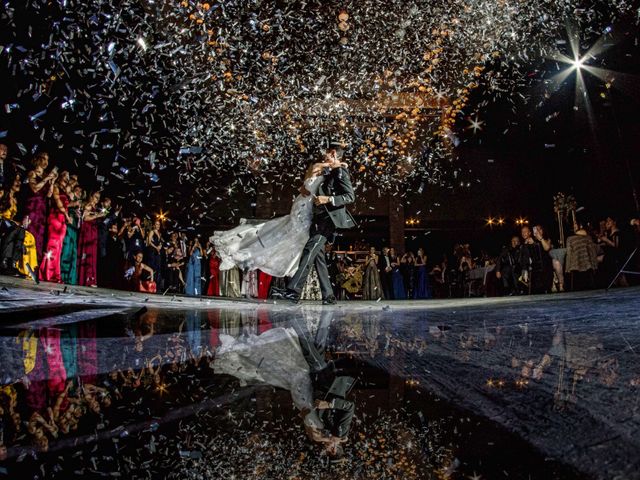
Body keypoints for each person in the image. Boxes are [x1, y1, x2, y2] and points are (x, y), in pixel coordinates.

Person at [276, 147, 356, 305]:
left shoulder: (340, 172)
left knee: (309, 250)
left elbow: (350, 196)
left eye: (326, 153)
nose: (323, 156)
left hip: (328, 219)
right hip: (318, 218)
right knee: (318, 257)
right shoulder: (330, 172)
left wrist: (328, 199)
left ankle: (293, 291)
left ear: (333, 154)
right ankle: (329, 295)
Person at [24, 152, 57, 264]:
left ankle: (34, 264)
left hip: (42, 209)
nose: (46, 162)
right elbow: (34, 189)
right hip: (33, 207)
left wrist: (52, 182)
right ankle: (24, 263)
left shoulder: (46, 176)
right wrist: (47, 178)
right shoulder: (32, 173)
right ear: (37, 159)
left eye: (47, 159)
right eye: (43, 159)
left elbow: (49, 195)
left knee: (40, 236)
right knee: (30, 233)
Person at [40, 172, 72, 283]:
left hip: (62, 221)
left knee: (58, 249)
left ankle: (55, 274)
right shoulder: (56, 187)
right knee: (52, 246)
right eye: (65, 176)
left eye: (68, 177)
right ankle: (47, 273)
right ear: (60, 177)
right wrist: (67, 216)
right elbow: (58, 202)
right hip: (55, 218)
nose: (67, 178)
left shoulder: (66, 191)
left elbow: (67, 204)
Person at [77, 191, 107, 287]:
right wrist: (98, 215)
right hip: (87, 231)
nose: (97, 199)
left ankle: (91, 279)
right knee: (87, 252)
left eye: (98, 198)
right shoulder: (88, 205)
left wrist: (101, 213)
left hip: (93, 231)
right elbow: (85, 218)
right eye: (95, 197)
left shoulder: (95, 207)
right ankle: (86, 278)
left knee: (92, 254)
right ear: (91, 196)